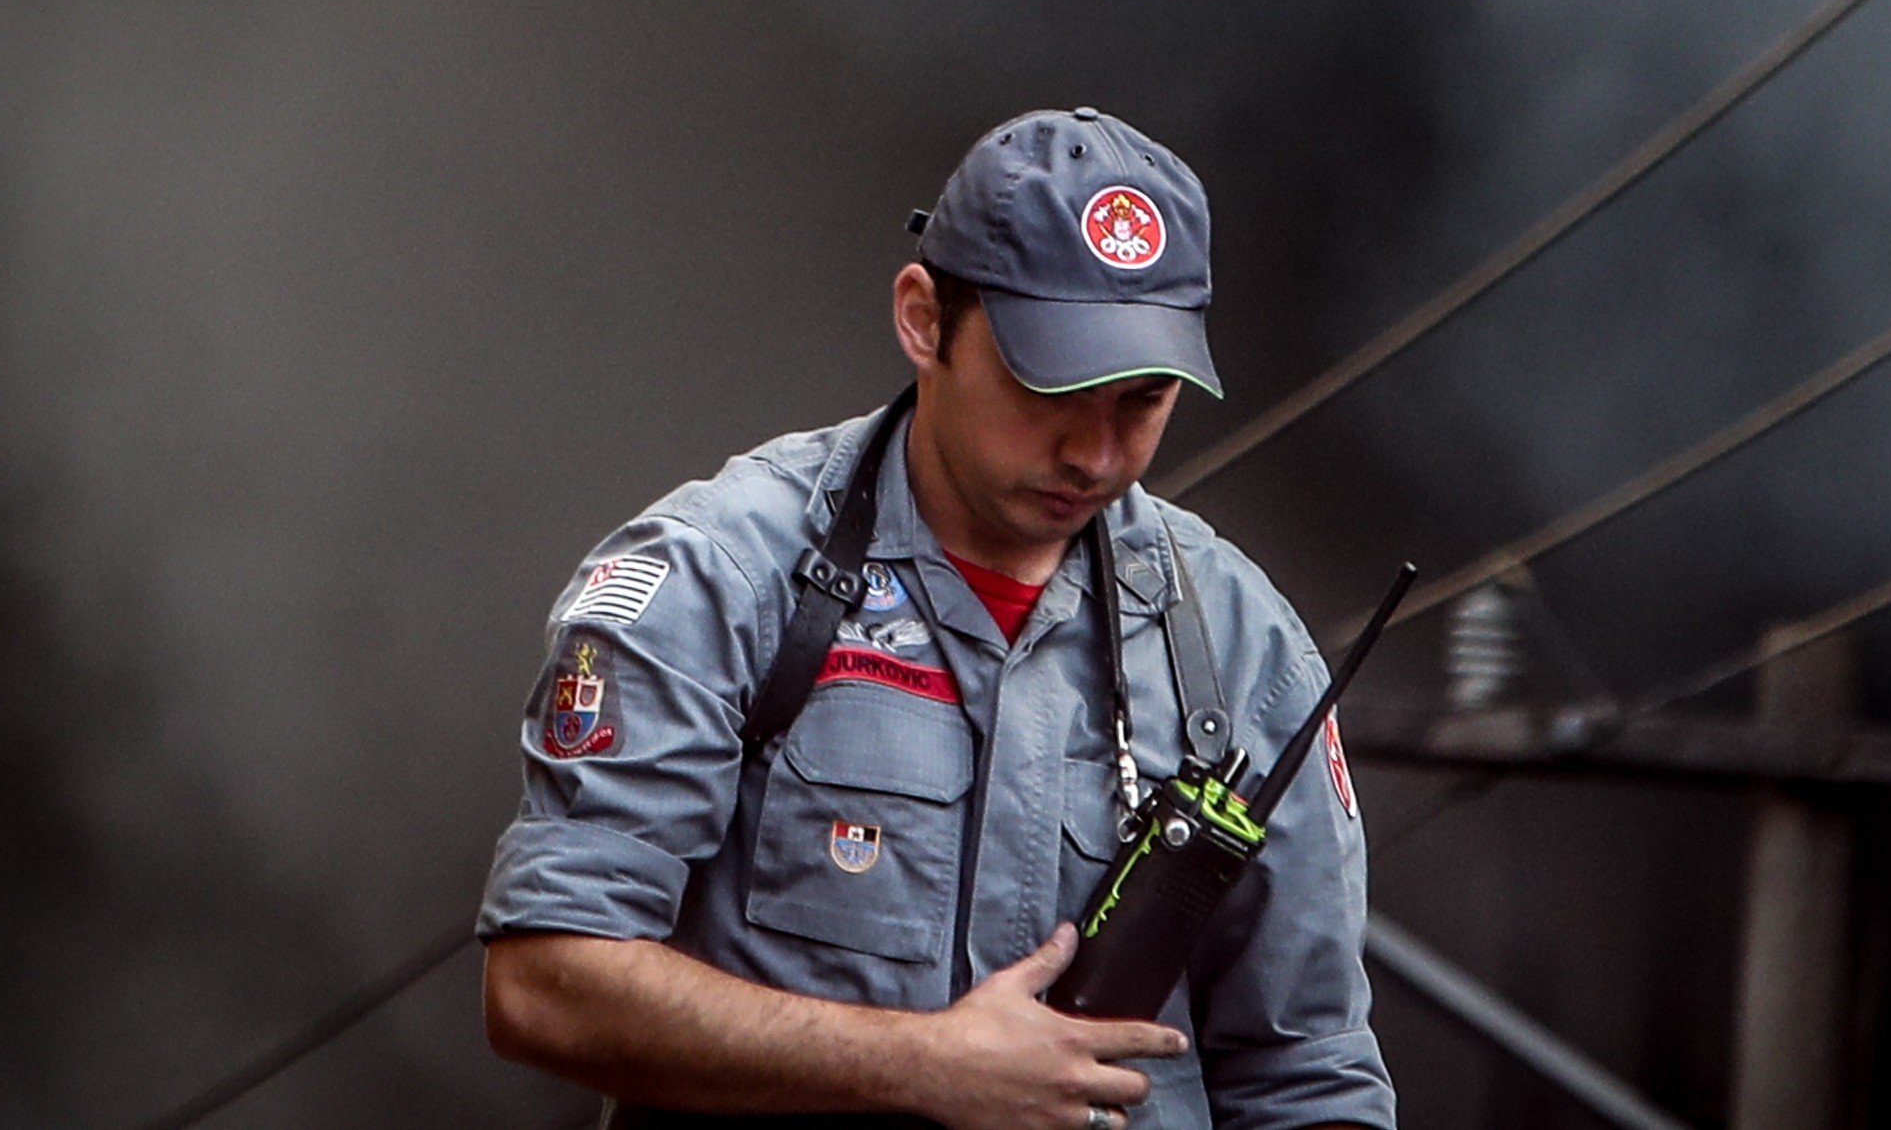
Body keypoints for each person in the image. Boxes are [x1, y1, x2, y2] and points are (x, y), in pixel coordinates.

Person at [477, 108, 1393, 1130]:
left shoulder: (1242, 645)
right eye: (1053, 384)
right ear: (924, 319)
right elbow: (544, 982)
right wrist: (921, 1065)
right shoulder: (720, 574)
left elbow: (1309, 1071)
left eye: (1141, 399)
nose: (1094, 451)